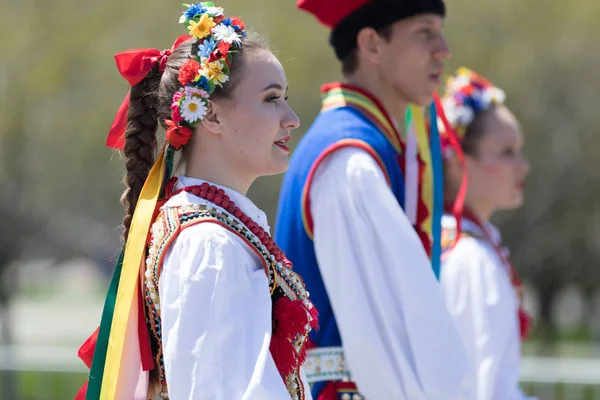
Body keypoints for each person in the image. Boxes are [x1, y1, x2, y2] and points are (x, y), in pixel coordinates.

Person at [75, 3, 317, 400]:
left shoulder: (213, 230)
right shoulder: (211, 245)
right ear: (211, 117)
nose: (291, 118)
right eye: (272, 98)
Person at [275, 0, 475, 398]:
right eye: (424, 32)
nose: (444, 49)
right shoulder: (350, 160)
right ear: (372, 44)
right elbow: (379, 340)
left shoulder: (369, 147)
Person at [438, 67, 533, 400]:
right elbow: (483, 390)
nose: (523, 166)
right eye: (507, 152)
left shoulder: (453, 244)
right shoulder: (470, 259)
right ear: (457, 161)